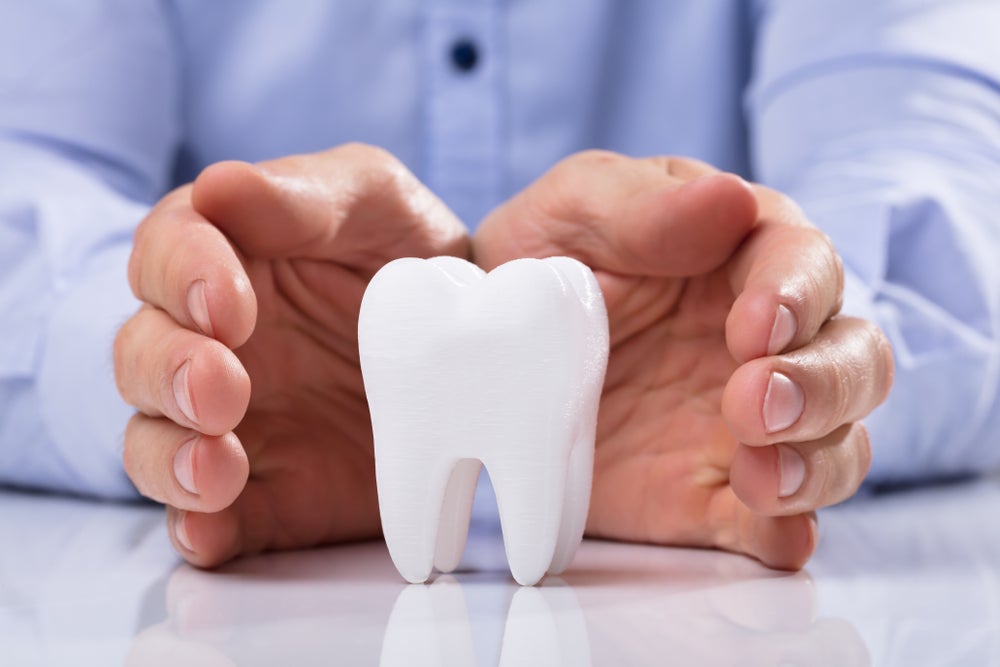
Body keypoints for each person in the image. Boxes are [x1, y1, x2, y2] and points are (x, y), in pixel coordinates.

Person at [0, 1, 995, 570]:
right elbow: (26, 153)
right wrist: (165, 339)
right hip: (280, 399)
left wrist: (787, 340)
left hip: (671, 401)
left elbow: (926, 146)